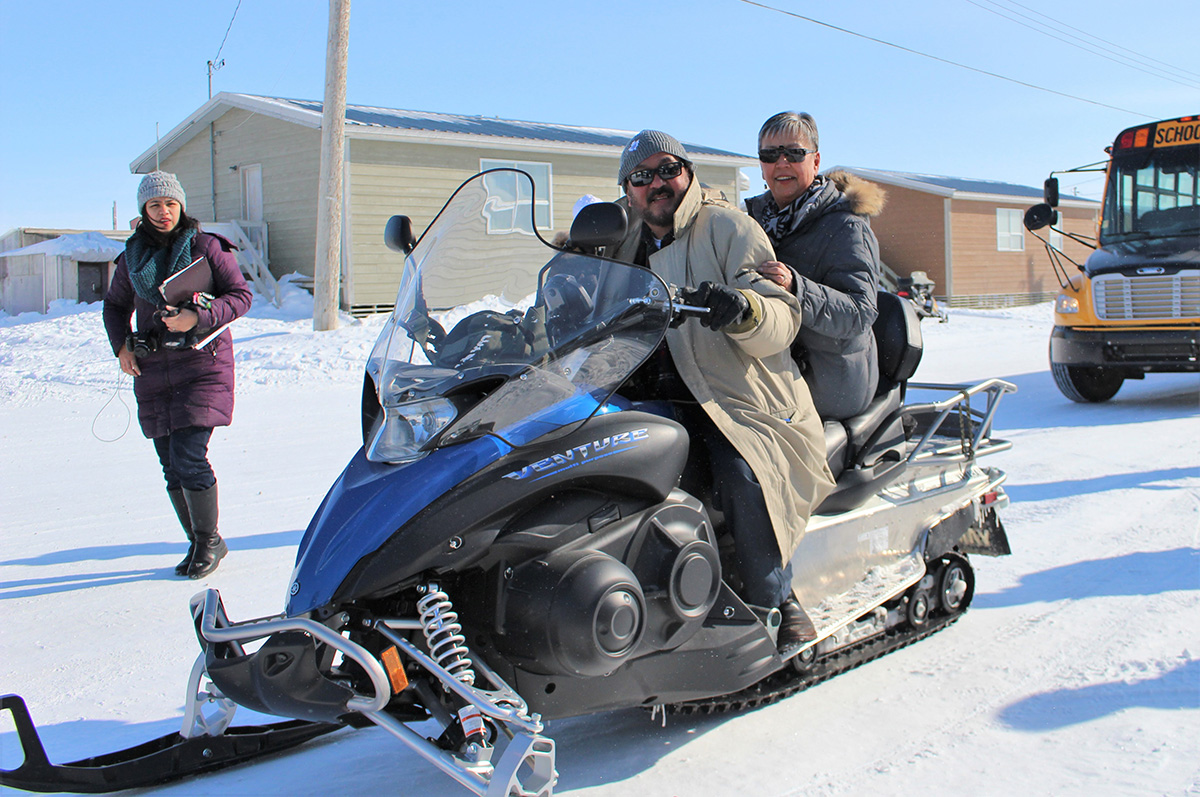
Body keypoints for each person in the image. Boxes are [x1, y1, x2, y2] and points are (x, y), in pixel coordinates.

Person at [609, 130, 834, 652]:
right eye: (641, 177)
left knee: (741, 473)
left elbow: (782, 314)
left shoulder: (726, 226)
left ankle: (774, 600)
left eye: (668, 170)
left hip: (737, 398)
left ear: (687, 173)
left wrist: (744, 309)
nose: (657, 184)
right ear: (628, 190)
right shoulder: (625, 237)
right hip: (652, 392)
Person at [103, 171, 253, 579]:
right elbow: (115, 307)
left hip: (203, 363)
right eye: (154, 205)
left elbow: (240, 296)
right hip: (153, 369)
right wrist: (122, 346)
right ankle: (201, 541)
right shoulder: (131, 257)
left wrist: (196, 317)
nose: (164, 211)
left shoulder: (206, 247)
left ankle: (208, 542)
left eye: (170, 203)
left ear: (181, 205)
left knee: (189, 455)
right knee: (170, 463)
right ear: (144, 211)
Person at [744, 112, 886, 420]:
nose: (781, 163)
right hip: (769, 377)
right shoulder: (750, 222)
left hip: (828, 385)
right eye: (770, 155)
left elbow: (859, 313)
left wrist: (796, 287)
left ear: (816, 161)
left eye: (794, 153)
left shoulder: (846, 227)